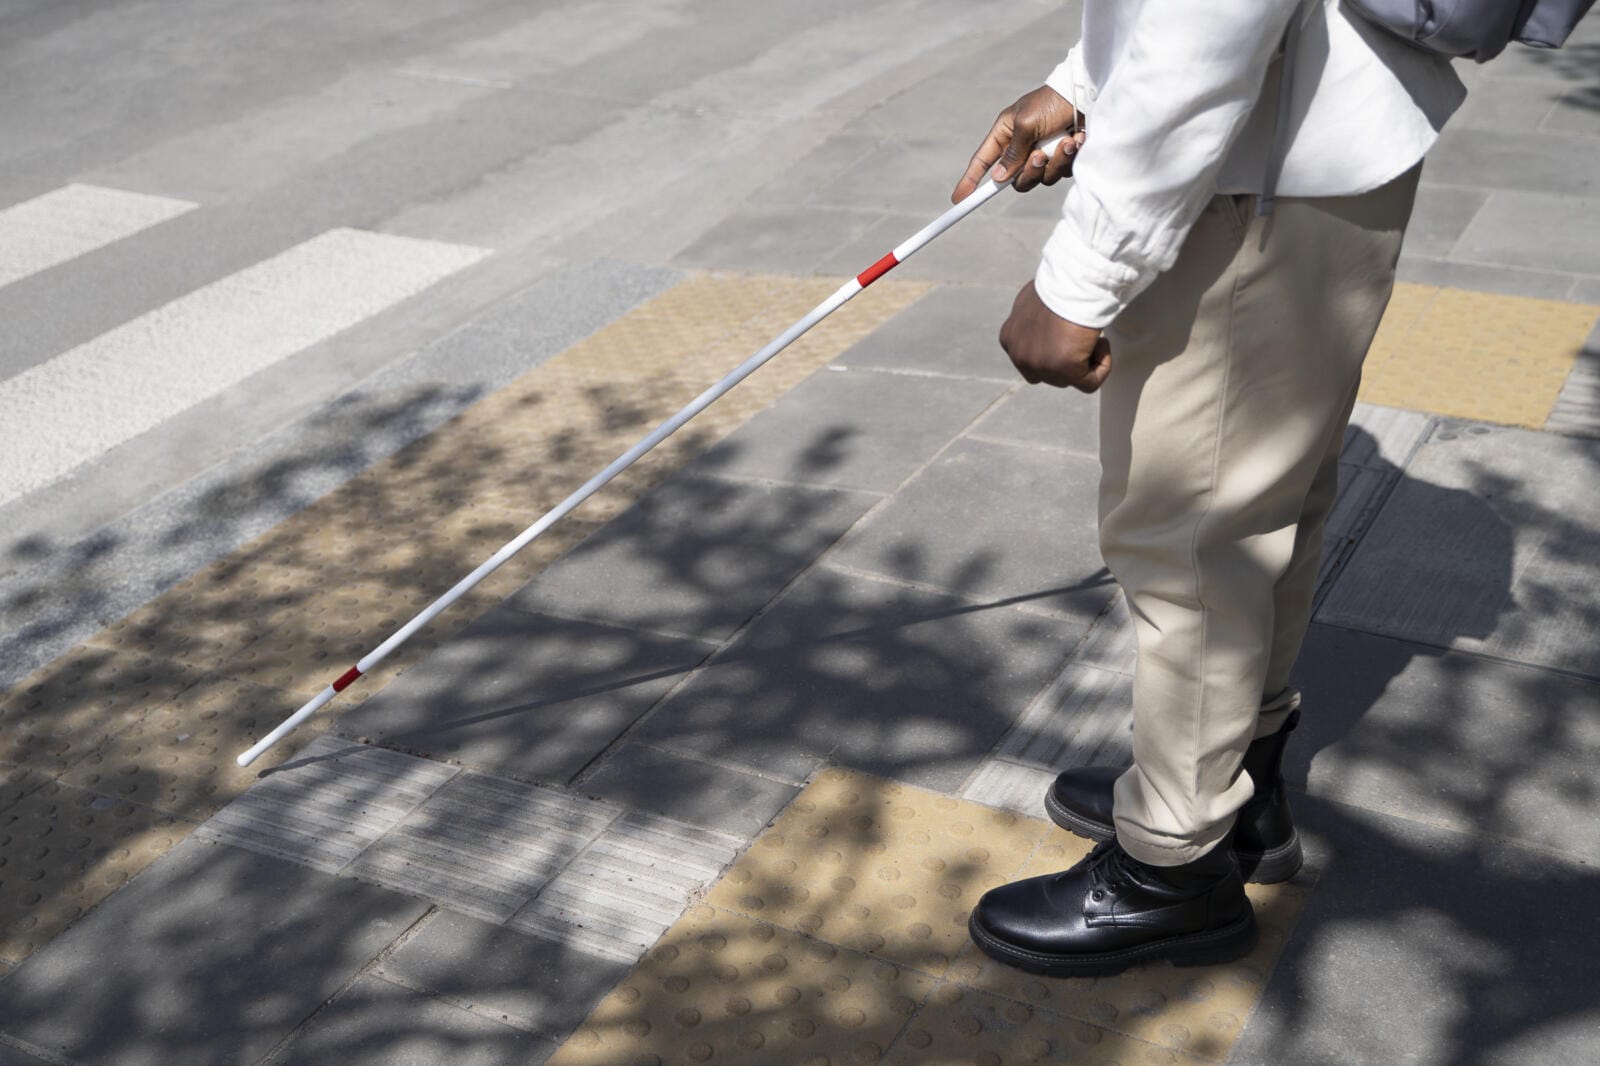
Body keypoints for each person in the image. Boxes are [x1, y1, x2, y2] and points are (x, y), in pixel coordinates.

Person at [957, 0, 1464, 977]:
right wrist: (1081, 82)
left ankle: (1172, 870)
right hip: (1319, 149)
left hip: (1252, 175)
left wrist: (1080, 274)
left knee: (1189, 532)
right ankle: (1238, 787)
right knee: (1265, 500)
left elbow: (1210, 16)